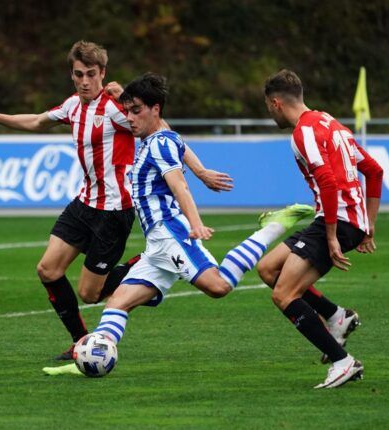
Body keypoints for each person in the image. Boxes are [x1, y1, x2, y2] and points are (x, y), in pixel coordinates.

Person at [0, 41, 234, 360]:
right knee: (48, 270)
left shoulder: (119, 108)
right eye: (79, 74)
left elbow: (163, 134)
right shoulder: (73, 106)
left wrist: (199, 172)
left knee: (90, 294)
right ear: (72, 75)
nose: (85, 81)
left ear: (103, 73)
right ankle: (82, 342)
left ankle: (152, 262)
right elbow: (36, 121)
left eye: (91, 74)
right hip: (84, 203)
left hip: (114, 212)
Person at [43, 73, 314, 376]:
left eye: (136, 111)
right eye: (127, 111)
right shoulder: (159, 137)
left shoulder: (158, 143)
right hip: (156, 247)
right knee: (116, 304)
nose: (129, 118)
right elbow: (179, 144)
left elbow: (179, 186)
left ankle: (275, 226)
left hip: (171, 234)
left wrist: (195, 224)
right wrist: (202, 171)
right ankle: (88, 359)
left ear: (155, 109)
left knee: (219, 286)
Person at [257, 69, 384, 388]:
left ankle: (343, 362)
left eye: (267, 107)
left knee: (284, 295)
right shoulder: (330, 123)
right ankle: (337, 316)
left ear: (275, 103)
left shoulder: (304, 132)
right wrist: (368, 225)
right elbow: (374, 170)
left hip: (336, 222)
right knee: (268, 268)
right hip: (343, 219)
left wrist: (330, 236)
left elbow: (327, 180)